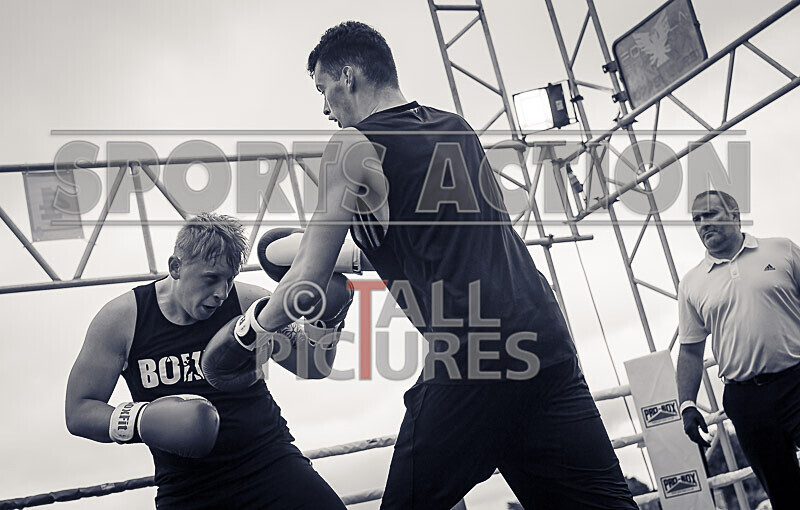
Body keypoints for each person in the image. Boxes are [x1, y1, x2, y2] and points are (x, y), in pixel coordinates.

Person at [247, 21, 636, 509]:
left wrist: (248, 331)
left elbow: (305, 278)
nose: (325, 108)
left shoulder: (350, 145)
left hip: (474, 359)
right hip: (545, 343)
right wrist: (345, 256)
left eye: (324, 90)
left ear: (348, 76)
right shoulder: (455, 125)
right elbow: (443, 238)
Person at [65, 213, 348, 509]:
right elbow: (79, 410)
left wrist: (329, 320)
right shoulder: (123, 319)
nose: (220, 293)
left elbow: (313, 364)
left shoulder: (247, 303)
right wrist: (141, 420)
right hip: (188, 489)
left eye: (229, 280)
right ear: (176, 267)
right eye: (211, 278)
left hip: (271, 463)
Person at [677, 190, 800, 509]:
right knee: (783, 491)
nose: (703, 224)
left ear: (734, 213)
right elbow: (690, 351)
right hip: (746, 399)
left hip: (796, 381)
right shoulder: (692, 283)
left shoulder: (782, 250)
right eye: (697, 220)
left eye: (710, 214)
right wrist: (688, 405)